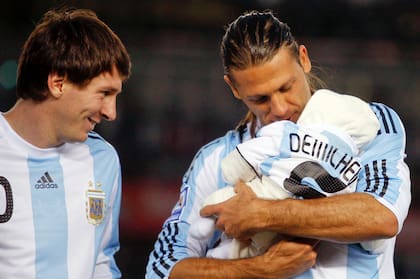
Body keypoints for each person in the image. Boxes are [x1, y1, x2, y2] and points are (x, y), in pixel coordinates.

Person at [146, 10, 411, 279]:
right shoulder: (215, 159)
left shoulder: (368, 123)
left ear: (304, 60)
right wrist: (258, 270)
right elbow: (162, 269)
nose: (280, 108)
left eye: (286, 87)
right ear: (234, 89)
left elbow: (382, 216)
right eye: (260, 99)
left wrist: (263, 214)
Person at [0, 7, 131, 279]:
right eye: (104, 93)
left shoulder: (103, 160)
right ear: (58, 82)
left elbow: (102, 261)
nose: (111, 112)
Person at [189, 89, 381, 260]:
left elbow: (246, 158)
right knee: (267, 249)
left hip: (267, 192)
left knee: (228, 201)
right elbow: (373, 234)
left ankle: (209, 225)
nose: (280, 110)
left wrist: (237, 176)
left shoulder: (290, 133)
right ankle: (225, 251)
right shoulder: (354, 164)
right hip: (300, 226)